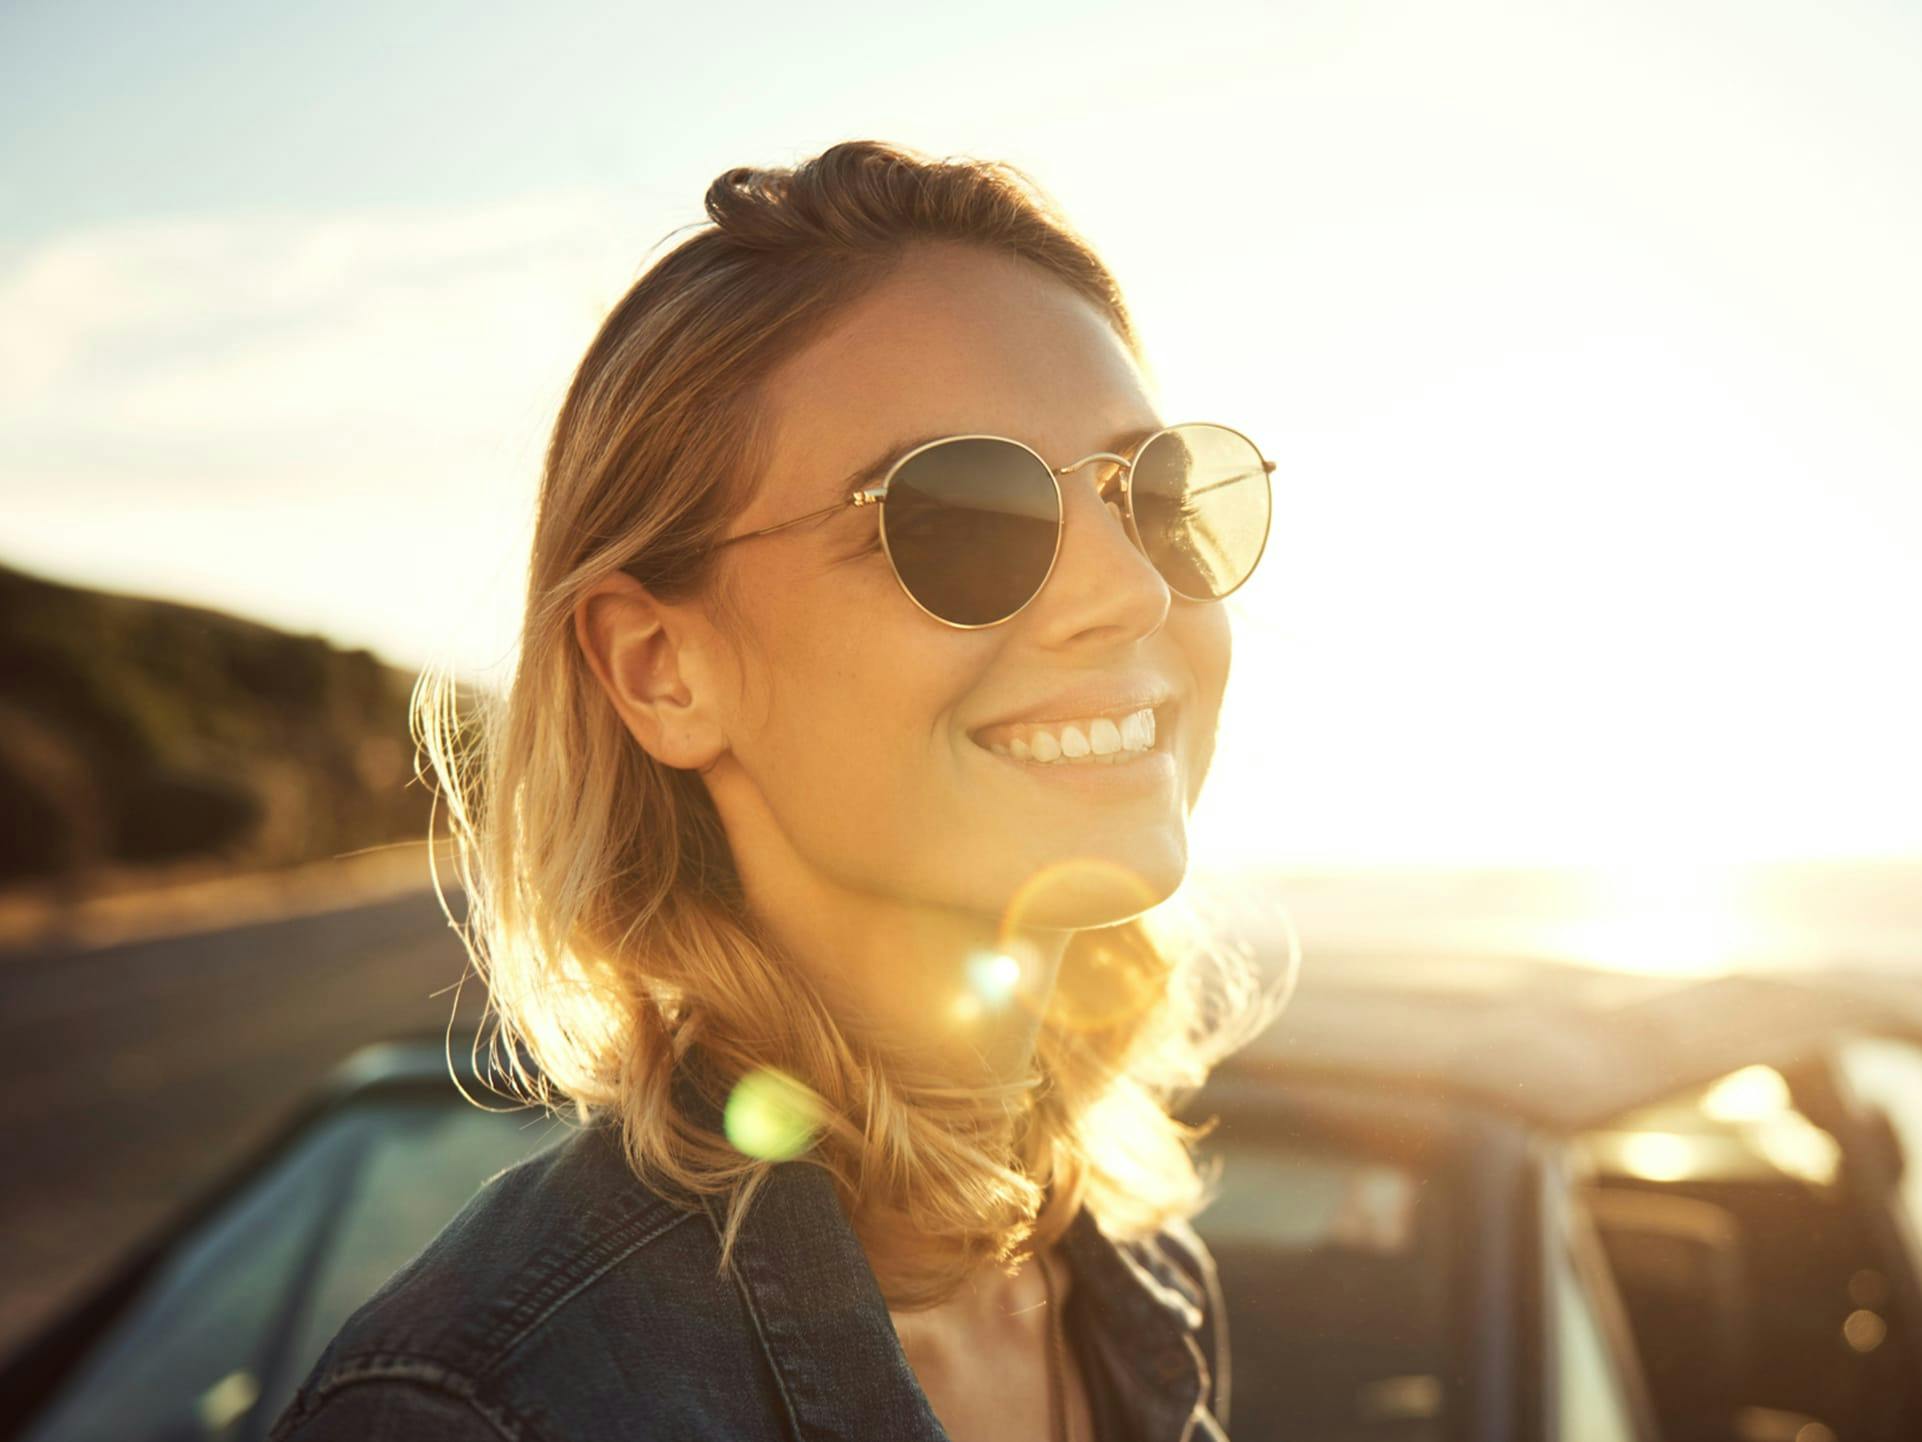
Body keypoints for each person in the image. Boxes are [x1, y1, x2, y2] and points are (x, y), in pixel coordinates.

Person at [268, 138, 1281, 1442]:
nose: (1131, 589)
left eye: (1150, 496)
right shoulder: (481, 1414)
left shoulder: (1128, 1277)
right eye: (960, 515)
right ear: (661, 667)